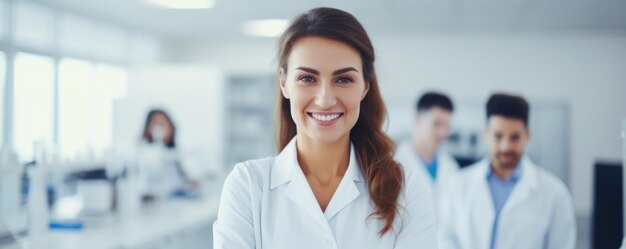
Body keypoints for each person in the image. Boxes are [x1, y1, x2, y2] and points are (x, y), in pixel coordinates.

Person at [213, 7, 437, 249]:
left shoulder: (406, 189)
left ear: (365, 87)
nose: (325, 99)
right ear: (284, 83)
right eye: (307, 79)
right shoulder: (248, 186)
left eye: (343, 79)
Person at [438, 93, 576, 249]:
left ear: (527, 136)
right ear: (486, 135)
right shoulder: (458, 184)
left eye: (515, 137)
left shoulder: (555, 194)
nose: (506, 146)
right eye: (498, 136)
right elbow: (446, 240)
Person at [395, 92, 460, 207]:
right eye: (437, 124)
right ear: (418, 120)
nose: (443, 133)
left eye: (447, 125)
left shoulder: (450, 165)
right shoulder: (395, 162)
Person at [137, 109, 197, 200]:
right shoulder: (144, 151)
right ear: (148, 128)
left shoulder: (176, 152)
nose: (160, 128)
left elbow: (193, 177)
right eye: (156, 124)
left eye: (164, 123)